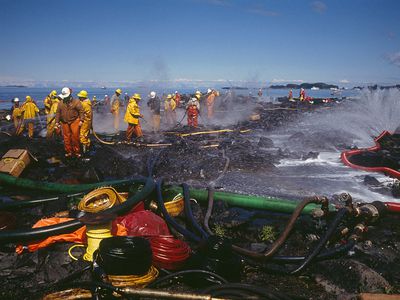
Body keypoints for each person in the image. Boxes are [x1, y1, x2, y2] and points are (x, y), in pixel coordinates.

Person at [55, 87, 85, 158]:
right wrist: (57, 122)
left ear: (70, 95)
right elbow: (58, 113)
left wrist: (81, 120)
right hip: (64, 122)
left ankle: (76, 152)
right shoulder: (60, 103)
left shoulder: (76, 102)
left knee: (75, 137)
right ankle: (69, 152)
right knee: (66, 138)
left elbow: (81, 111)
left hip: (74, 121)